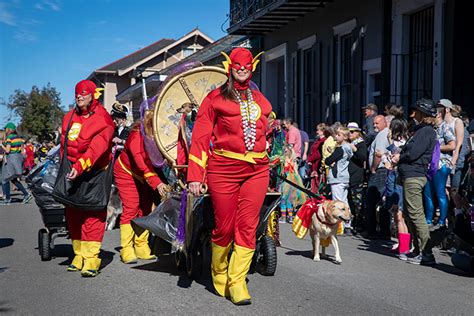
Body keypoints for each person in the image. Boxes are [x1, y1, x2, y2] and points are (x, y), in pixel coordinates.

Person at [187, 48, 271, 305]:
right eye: (237, 65)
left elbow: (263, 130)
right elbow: (200, 138)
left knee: (247, 226)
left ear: (253, 67)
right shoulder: (214, 99)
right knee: (223, 226)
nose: (242, 69)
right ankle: (219, 271)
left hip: (257, 170)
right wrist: (195, 175)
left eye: (247, 65)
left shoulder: (261, 100)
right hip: (223, 169)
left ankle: (237, 281)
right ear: (229, 67)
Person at [61, 79, 114, 277]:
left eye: (83, 93)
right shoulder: (69, 117)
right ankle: (79, 255)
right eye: (77, 93)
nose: (79, 96)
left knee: (92, 214)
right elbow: (65, 145)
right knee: (73, 213)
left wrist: (81, 165)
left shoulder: (103, 119)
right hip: (73, 172)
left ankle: (91, 259)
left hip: (95, 173)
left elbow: (97, 148)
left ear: (93, 95)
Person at [114, 119, 167, 264]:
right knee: (131, 207)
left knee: (145, 207)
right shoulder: (136, 135)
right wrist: (157, 183)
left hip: (146, 174)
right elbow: (141, 163)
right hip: (127, 172)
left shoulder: (162, 133)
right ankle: (126, 247)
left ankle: (141, 243)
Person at [392, 98, 438, 266]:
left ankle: (426, 252)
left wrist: (400, 156)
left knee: (416, 214)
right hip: (409, 175)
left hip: (414, 175)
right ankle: (419, 250)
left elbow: (413, 153)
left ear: (423, 113)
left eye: (416, 111)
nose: (412, 115)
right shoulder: (420, 130)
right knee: (410, 215)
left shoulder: (426, 131)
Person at [423, 105, 455, 230]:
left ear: (438, 114)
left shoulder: (445, 127)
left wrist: (435, 148)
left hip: (441, 164)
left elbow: (452, 145)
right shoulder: (431, 128)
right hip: (430, 165)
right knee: (428, 192)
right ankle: (428, 219)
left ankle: (442, 221)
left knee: (440, 192)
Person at [384, 118, 410, 259]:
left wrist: (391, 161)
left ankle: (404, 248)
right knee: (397, 214)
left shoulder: (400, 142)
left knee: (400, 215)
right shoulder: (402, 140)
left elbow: (395, 159)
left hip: (398, 178)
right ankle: (403, 245)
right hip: (393, 178)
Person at [366, 115, 391, 239]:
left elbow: (378, 154)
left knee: (372, 201)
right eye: (374, 123)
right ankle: (384, 231)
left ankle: (373, 231)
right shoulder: (383, 134)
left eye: (377, 123)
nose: (375, 126)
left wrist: (373, 168)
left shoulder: (382, 135)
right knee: (383, 201)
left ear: (385, 122)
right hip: (383, 170)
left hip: (380, 170)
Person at [325, 126, 353, 232]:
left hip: (337, 177)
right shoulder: (348, 148)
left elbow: (328, 160)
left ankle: (340, 225)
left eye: (338, 135)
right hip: (345, 177)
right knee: (344, 201)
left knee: (337, 202)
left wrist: (331, 159)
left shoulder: (341, 149)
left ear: (345, 137)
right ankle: (348, 223)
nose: (336, 137)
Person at [0, 123, 32, 205]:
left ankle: (7, 199)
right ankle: (26, 194)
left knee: (4, 179)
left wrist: (1, 145)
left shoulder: (9, 138)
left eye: (6, 129)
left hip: (11, 159)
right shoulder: (19, 138)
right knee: (13, 178)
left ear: (9, 129)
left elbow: (7, 150)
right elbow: (22, 151)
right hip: (18, 159)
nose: (5, 130)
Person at [278, 144, 307, 223]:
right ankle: (287, 217)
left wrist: (299, 183)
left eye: (286, 151)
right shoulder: (287, 160)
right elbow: (296, 173)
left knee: (286, 199)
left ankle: (286, 217)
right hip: (289, 180)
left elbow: (296, 172)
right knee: (287, 199)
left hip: (289, 181)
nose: (285, 152)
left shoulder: (288, 161)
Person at [347, 122, 367, 234]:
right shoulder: (348, 143)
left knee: (357, 202)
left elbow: (362, 157)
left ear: (357, 133)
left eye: (352, 132)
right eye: (348, 132)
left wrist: (354, 149)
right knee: (349, 201)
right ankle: (351, 223)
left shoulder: (360, 144)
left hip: (356, 177)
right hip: (348, 177)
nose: (350, 134)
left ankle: (359, 224)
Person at [307, 123, 329, 194]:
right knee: (314, 183)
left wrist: (310, 159)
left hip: (318, 164)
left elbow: (318, 154)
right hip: (314, 165)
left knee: (319, 182)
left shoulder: (323, 141)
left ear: (323, 131)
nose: (317, 132)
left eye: (318, 130)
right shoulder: (318, 140)